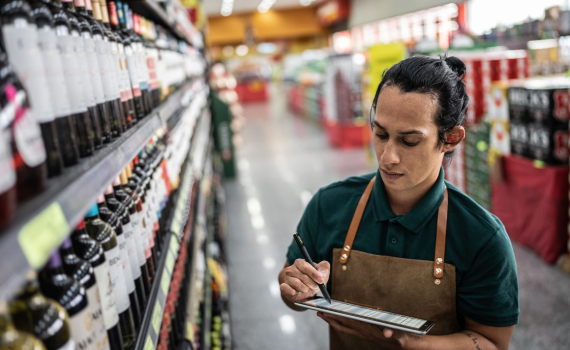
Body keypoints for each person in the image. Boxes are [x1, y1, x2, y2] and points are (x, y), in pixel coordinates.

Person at [278, 55, 519, 350]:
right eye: (380, 134)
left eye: (409, 141)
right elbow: (291, 289)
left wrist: (410, 343)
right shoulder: (329, 205)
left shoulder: (482, 237)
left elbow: (492, 343)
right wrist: (295, 288)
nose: (387, 156)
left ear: (451, 138)